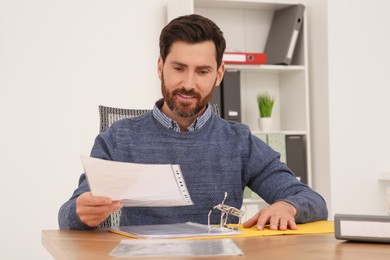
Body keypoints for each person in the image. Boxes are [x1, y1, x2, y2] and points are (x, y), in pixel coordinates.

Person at [58, 14, 328, 231]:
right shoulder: (118, 138)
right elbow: (68, 215)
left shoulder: (239, 142)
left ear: (219, 74)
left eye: (202, 71)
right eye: (178, 68)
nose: (188, 83)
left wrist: (287, 207)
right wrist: (82, 211)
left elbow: (312, 201)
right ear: (160, 66)